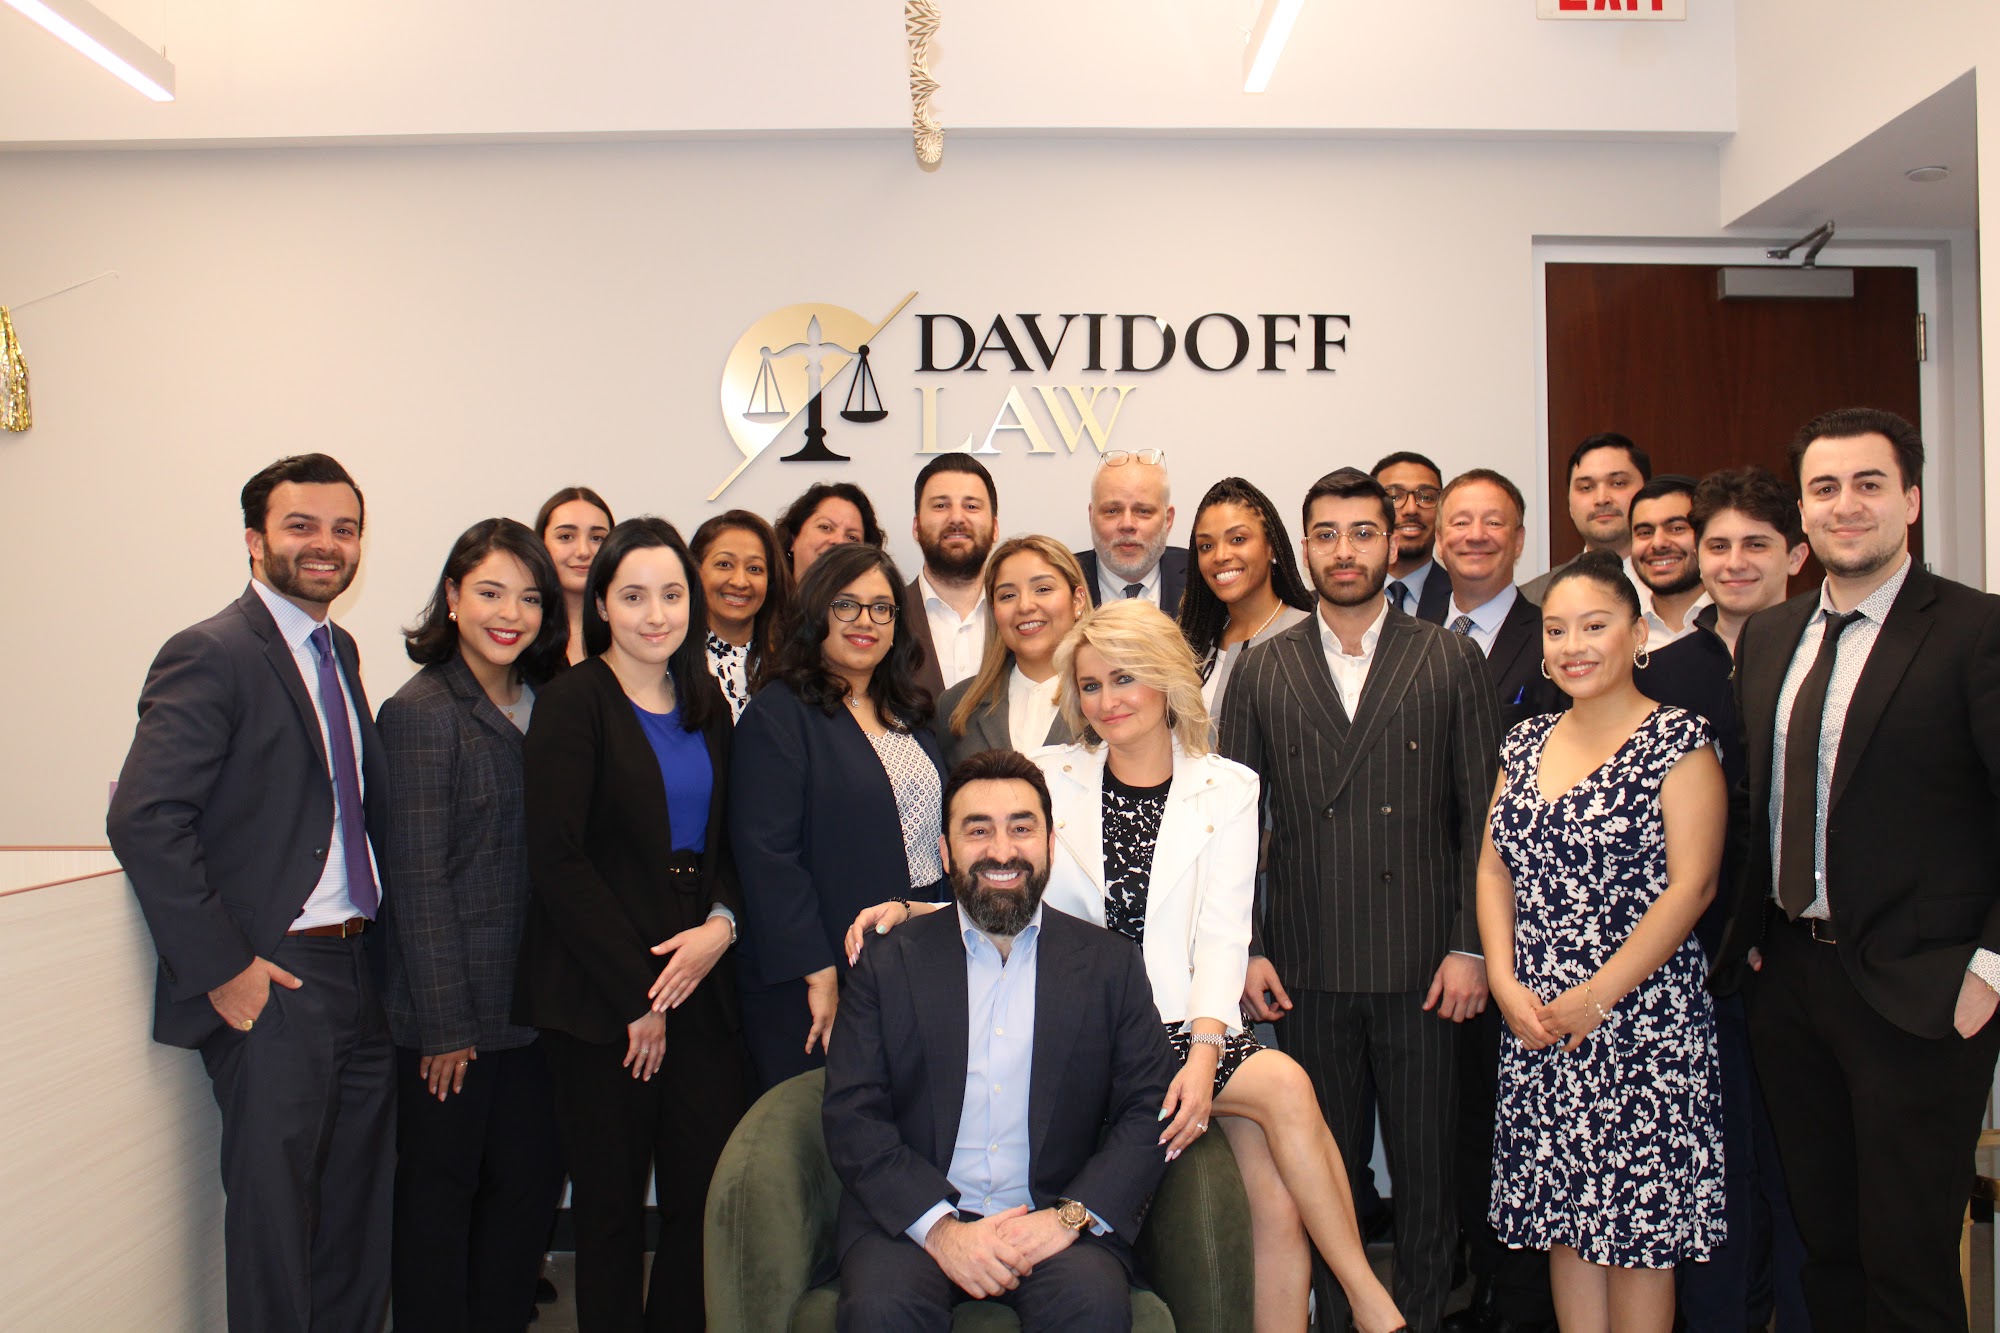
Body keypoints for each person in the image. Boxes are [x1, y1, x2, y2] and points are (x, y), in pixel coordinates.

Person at [855, 600, 1408, 1333]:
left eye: (1124, 678)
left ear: (1166, 678)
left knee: (1274, 1197)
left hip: (1186, 1019)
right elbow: (1005, 881)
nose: (1106, 700)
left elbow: (1223, 932)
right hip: (1089, 1025)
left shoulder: (1229, 786)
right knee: (1283, 1081)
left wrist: (1206, 1053)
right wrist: (910, 907)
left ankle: (1356, 1301)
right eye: (1090, 685)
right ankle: (1370, 1300)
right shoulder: (1052, 772)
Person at [1712, 407, 2000, 1332]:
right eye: (1825, 487)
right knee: (1826, 1251)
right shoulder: (1771, 634)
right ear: (1803, 511)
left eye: (1869, 484)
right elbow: (1755, 804)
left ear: (1910, 499)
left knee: (1908, 1263)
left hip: (1923, 990)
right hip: (1792, 983)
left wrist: (1989, 968)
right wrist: (1752, 938)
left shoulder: (1975, 629)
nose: (1846, 505)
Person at [108, 453, 393, 1333]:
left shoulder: (339, 650)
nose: (325, 543)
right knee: (275, 1226)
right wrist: (225, 967)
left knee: (355, 1220)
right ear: (253, 539)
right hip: (278, 980)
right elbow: (145, 817)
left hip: (361, 971)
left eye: (344, 528)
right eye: (301, 525)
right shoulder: (212, 651)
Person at [1218, 466, 1501, 1331]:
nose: (1345, 551)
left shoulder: (1448, 655)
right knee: (1328, 1175)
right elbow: (1234, 822)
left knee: (1427, 1172)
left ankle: (1420, 1318)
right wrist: (1247, 946)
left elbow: (1480, 816)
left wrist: (1472, 945)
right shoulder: (1263, 667)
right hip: (1306, 960)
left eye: (1363, 532)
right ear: (1303, 547)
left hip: (1426, 962)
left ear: (1395, 540)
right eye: (1328, 534)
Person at [823, 748, 1179, 1333]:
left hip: (1054, 1218)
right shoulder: (888, 964)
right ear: (945, 852)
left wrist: (1067, 1219)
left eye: (1021, 828)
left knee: (1092, 1308)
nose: (1002, 851)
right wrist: (942, 1231)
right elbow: (852, 1113)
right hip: (912, 1224)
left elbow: (1150, 1107)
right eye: (978, 830)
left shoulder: (1110, 965)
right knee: (880, 1311)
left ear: (1050, 845)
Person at [1478, 551, 1727, 1332]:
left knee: (1637, 1237)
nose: (1573, 645)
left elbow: (1693, 886)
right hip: (1539, 1018)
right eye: (1556, 630)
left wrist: (1597, 996)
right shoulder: (1524, 741)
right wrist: (1503, 978)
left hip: (1640, 1022)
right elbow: (1492, 866)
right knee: (1566, 1221)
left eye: (1594, 626)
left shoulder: (1677, 738)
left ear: (1638, 632)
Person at [517, 517, 749, 1332]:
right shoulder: (572, 703)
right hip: (602, 997)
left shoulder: (707, 705)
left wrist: (724, 922)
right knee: (611, 1209)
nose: (657, 614)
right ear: (602, 606)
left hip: (702, 980)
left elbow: (730, 840)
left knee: (699, 1199)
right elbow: (560, 862)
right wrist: (638, 998)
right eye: (634, 596)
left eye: (672, 594)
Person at [377, 518, 570, 1333]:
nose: (510, 614)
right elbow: (417, 879)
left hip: (540, 1009)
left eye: (529, 597)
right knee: (440, 1203)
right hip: (454, 1022)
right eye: (490, 592)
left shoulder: (551, 703)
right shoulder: (422, 711)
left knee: (525, 1197)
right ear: (453, 597)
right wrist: (446, 1026)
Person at [730, 542, 947, 1090]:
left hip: (915, 955)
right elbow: (767, 856)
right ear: (816, 613)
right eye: (846, 605)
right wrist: (816, 969)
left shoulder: (910, 711)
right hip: (820, 970)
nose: (865, 621)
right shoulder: (779, 714)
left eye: (882, 608)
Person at [1431, 468, 1557, 1333]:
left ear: (1519, 538)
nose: (1475, 535)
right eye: (1460, 521)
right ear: (1440, 537)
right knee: (1460, 1127)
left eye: (1494, 522)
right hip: (1427, 925)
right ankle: (1480, 1289)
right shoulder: (1409, 637)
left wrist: (1485, 942)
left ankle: (1521, 1305)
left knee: (1521, 1126)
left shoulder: (1556, 635)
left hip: (1527, 933)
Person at [932, 534, 1087, 769]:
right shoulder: (955, 707)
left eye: (1042, 589)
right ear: (994, 610)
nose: (1025, 606)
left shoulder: (1112, 696)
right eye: (1008, 596)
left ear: (1077, 600)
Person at [1175, 476, 1313, 719]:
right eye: (1206, 546)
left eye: (1237, 539)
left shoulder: (1309, 636)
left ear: (1271, 547)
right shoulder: (1195, 642)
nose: (1220, 556)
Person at [900, 453, 999, 700]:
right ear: (916, 527)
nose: (956, 518)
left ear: (995, 528)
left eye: (971, 506)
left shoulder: (1021, 616)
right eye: (940, 506)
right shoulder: (887, 616)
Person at [1690, 466, 1808, 657]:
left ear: (1795, 558)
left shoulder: (1827, 660)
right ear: (1698, 561)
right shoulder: (1663, 668)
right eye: (1719, 547)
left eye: (1756, 545)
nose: (1735, 564)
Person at [1521, 433, 1651, 604]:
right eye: (1586, 487)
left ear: (1648, 494)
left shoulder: (1679, 587)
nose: (1602, 499)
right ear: (1569, 504)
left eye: (1618, 483)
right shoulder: (1531, 599)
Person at [691, 509, 790, 721]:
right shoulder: (674, 660)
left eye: (754, 569)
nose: (740, 582)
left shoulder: (792, 663)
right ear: (696, 570)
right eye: (724, 564)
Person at [1074, 448, 1187, 612]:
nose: (1127, 525)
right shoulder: (1063, 579)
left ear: (1168, 520)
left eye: (1143, 511)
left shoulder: (1201, 576)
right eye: (1112, 511)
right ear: (1092, 517)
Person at [1627, 474, 1712, 653]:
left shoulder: (1736, 626)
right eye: (1645, 532)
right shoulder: (1622, 637)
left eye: (1676, 528)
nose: (1658, 543)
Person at [535, 485, 615, 668]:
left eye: (597, 538)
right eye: (566, 537)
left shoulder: (628, 629)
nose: (583, 552)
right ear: (541, 543)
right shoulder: (524, 627)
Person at [1373, 451, 1454, 623]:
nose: (1411, 509)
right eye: (1394, 497)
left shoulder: (1463, 597)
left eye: (1426, 497)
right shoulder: (1333, 598)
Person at [774, 480, 883, 585]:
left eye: (852, 537)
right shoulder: (766, 595)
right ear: (793, 538)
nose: (839, 541)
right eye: (825, 527)